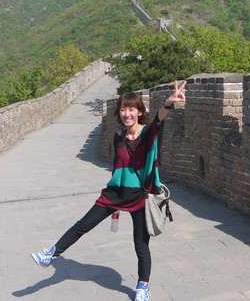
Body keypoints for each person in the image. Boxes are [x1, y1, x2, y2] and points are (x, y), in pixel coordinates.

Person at [31, 80, 187, 301]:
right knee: (82, 225)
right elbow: (118, 168)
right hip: (115, 194)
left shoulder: (148, 133)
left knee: (141, 247)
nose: (127, 113)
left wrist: (168, 103)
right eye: (123, 109)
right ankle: (51, 255)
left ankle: (143, 287)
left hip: (140, 196)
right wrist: (115, 207)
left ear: (140, 112)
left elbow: (159, 120)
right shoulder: (118, 136)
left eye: (131, 109)